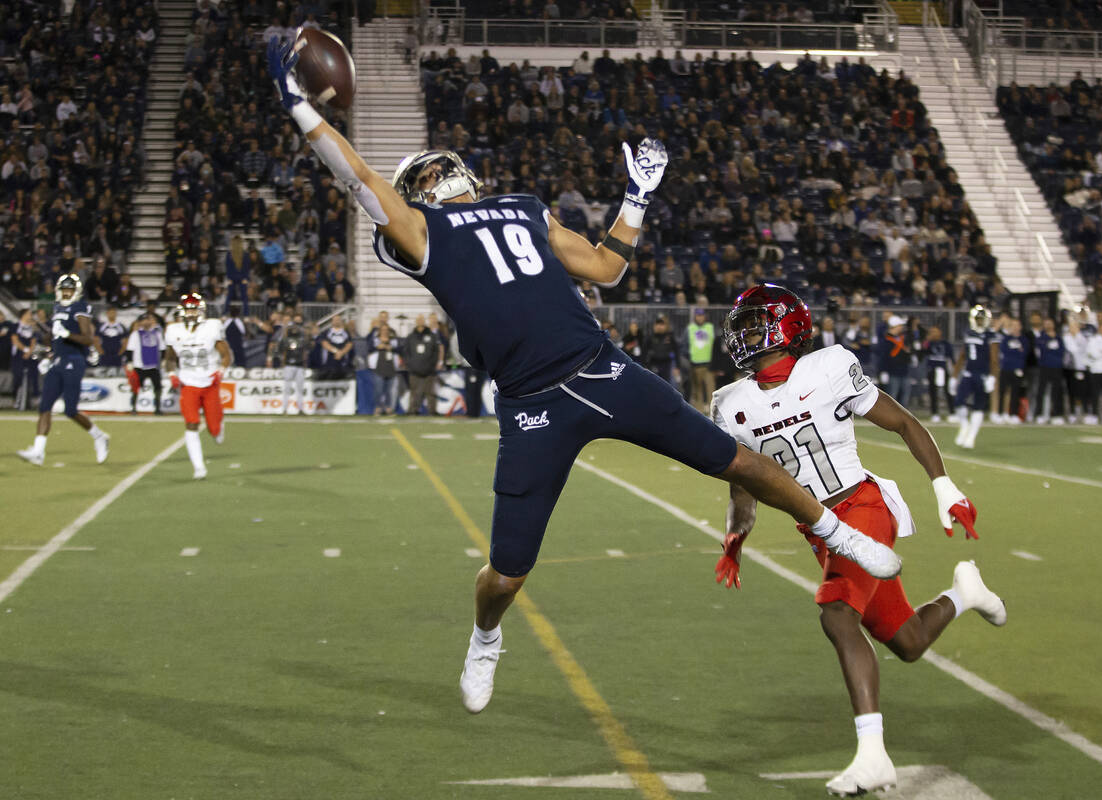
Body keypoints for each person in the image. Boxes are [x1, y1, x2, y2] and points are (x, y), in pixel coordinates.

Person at [267, 39, 900, 718]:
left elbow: (605, 268)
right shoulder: (422, 234)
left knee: (737, 462)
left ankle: (834, 529)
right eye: (435, 175)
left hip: (603, 369)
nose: (446, 179)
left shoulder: (520, 207)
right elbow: (359, 177)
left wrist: (638, 197)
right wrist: (302, 110)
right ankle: (485, 637)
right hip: (534, 404)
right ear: (424, 190)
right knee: (508, 572)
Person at [710, 285, 1005, 797]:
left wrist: (944, 487)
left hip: (863, 507)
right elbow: (744, 483)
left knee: (836, 613)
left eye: (755, 324)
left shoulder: (828, 368)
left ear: (786, 326)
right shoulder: (730, 402)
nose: (744, 334)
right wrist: (736, 533)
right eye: (744, 326)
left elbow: (903, 422)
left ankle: (873, 758)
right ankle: (965, 592)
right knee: (908, 642)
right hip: (821, 532)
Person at [17, 274, 111, 466]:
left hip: (74, 360)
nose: (66, 293)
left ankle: (99, 436)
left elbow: (87, 338)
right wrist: (47, 352)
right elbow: (54, 336)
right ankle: (38, 451)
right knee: (44, 406)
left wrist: (67, 334)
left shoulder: (80, 307)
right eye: (64, 290)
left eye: (70, 290)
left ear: (76, 292)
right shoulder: (58, 307)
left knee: (70, 410)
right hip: (58, 361)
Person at [164, 293, 231, 479]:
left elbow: (226, 355)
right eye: (188, 309)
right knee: (191, 423)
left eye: (194, 308)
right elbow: (169, 358)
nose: (191, 313)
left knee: (214, 430)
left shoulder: (212, 327)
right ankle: (199, 467)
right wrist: (171, 374)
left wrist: (220, 371)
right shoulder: (173, 330)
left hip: (209, 382)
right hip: (189, 383)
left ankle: (218, 426)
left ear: (201, 310)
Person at [950, 306, 999, 449]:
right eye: (978, 319)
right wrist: (954, 376)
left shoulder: (991, 335)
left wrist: (992, 377)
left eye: (982, 319)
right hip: (968, 373)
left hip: (982, 375)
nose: (979, 321)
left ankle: (971, 436)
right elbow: (962, 356)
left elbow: (994, 359)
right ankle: (964, 425)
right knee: (959, 401)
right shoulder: (969, 333)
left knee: (978, 406)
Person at [403, 313, 443, 415]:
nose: (420, 321)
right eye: (418, 319)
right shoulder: (411, 337)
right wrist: (410, 364)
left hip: (429, 369)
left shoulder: (431, 336)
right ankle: (412, 410)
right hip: (414, 369)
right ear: (416, 322)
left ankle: (432, 411)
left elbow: (435, 351)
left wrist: (432, 364)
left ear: (424, 321)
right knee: (414, 391)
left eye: (422, 319)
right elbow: (406, 352)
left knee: (430, 392)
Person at [126, 312, 165, 415]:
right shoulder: (136, 334)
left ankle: (157, 408)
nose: (146, 322)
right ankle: (133, 407)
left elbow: (162, 348)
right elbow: (130, 349)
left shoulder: (157, 334)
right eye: (144, 320)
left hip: (154, 365)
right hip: (139, 366)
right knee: (136, 387)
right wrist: (130, 362)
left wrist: (163, 360)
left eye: (148, 319)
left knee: (158, 387)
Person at [273, 312, 308, 415]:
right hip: (288, 365)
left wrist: (304, 363)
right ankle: (284, 409)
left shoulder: (302, 340)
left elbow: (305, 352)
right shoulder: (285, 340)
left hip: (299, 365)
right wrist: (283, 363)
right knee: (287, 388)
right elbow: (281, 351)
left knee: (299, 389)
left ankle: (300, 409)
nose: (294, 330)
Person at [1033, 316, 1066, 424]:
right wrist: (1050, 351)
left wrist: (1051, 351)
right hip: (1044, 367)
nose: (1048, 325)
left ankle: (1057, 415)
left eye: (1050, 323)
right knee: (1041, 391)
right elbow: (1041, 352)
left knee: (1057, 391)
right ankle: (1039, 414)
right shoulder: (1040, 338)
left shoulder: (1059, 338)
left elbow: (1061, 352)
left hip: (1057, 367)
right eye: (1046, 323)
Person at [686, 307, 716, 410]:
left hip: (708, 363)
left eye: (701, 315)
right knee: (697, 389)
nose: (700, 318)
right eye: (698, 315)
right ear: (695, 316)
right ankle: (699, 410)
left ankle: (712, 410)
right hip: (695, 363)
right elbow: (685, 344)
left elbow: (714, 344)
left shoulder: (710, 327)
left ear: (704, 316)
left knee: (710, 388)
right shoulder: (690, 328)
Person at [924, 325, 953, 422]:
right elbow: (922, 351)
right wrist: (927, 341)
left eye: (935, 331)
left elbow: (951, 357)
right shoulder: (929, 343)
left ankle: (952, 412)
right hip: (932, 370)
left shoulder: (945, 343)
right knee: (933, 392)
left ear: (940, 333)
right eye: (931, 332)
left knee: (948, 391)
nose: (933, 334)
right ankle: (935, 413)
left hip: (943, 370)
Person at [318, 314, 355, 379]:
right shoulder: (327, 332)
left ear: (341, 321)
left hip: (342, 363)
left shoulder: (346, 333)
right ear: (332, 321)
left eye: (338, 320)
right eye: (335, 320)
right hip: (329, 363)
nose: (337, 321)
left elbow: (349, 344)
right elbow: (324, 343)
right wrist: (336, 352)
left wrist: (341, 353)